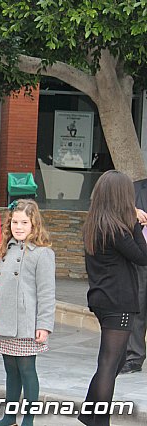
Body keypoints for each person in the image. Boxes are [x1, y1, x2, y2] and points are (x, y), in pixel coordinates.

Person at [0, 199, 55, 426]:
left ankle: (28, 420)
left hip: (27, 323)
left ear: (34, 224)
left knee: (27, 370)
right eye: (15, 222)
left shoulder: (43, 254)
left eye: (24, 222)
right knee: (11, 370)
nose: (19, 227)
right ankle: (9, 417)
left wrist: (44, 325)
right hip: (4, 320)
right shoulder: (5, 251)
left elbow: (47, 293)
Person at [78, 170, 147, 426]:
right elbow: (143, 257)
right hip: (118, 301)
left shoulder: (96, 223)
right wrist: (136, 224)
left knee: (113, 361)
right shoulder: (118, 229)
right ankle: (100, 421)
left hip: (101, 298)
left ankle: (89, 413)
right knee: (110, 362)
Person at [119, 178, 147, 374]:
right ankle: (134, 357)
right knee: (138, 308)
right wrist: (132, 214)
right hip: (141, 258)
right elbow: (113, 213)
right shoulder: (134, 188)